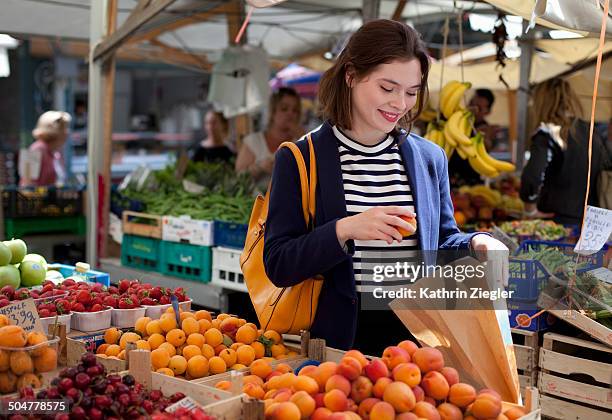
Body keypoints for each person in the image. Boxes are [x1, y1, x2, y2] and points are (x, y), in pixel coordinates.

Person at [262, 20, 508, 353]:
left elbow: (443, 239)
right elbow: (279, 263)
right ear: (351, 75)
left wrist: (476, 242)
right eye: (387, 88)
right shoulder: (300, 158)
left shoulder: (429, 158)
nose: (400, 104)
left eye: (411, 92)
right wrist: (345, 229)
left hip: (417, 339)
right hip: (338, 342)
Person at [520, 78, 610, 225]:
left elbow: (532, 177)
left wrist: (530, 209)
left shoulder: (547, 132)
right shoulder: (589, 131)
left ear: (540, 102)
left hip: (555, 222)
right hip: (590, 222)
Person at [235, 87, 303, 191]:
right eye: (284, 109)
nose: (290, 114)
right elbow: (238, 179)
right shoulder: (254, 141)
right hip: (255, 203)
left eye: (295, 110)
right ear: (273, 111)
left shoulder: (300, 142)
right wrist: (260, 167)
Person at [20, 111, 71, 187]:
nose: (67, 132)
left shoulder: (57, 153)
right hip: (38, 198)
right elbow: (26, 185)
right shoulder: (34, 150)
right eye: (63, 128)